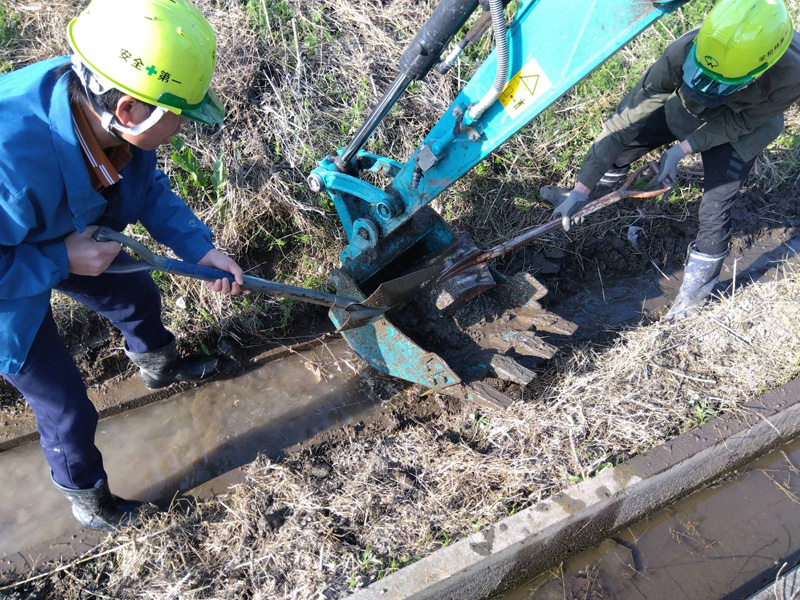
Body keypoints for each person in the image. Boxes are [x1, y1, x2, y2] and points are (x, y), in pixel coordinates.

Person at [0, 0, 246, 531]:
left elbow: (146, 186)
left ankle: (160, 369)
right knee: (66, 407)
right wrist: (57, 257)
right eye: (180, 114)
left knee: (136, 295)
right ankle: (91, 504)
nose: (182, 126)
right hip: (9, 274)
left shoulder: (103, 108)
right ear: (131, 110)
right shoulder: (8, 162)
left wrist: (199, 249)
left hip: (65, 227)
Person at [544, 0, 800, 321]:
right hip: (687, 106)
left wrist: (682, 150)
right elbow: (625, 119)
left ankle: (692, 299)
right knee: (627, 143)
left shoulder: (792, 74)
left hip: (742, 129)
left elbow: (738, 123)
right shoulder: (684, 50)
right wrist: (581, 187)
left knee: (714, 208)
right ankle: (587, 198)